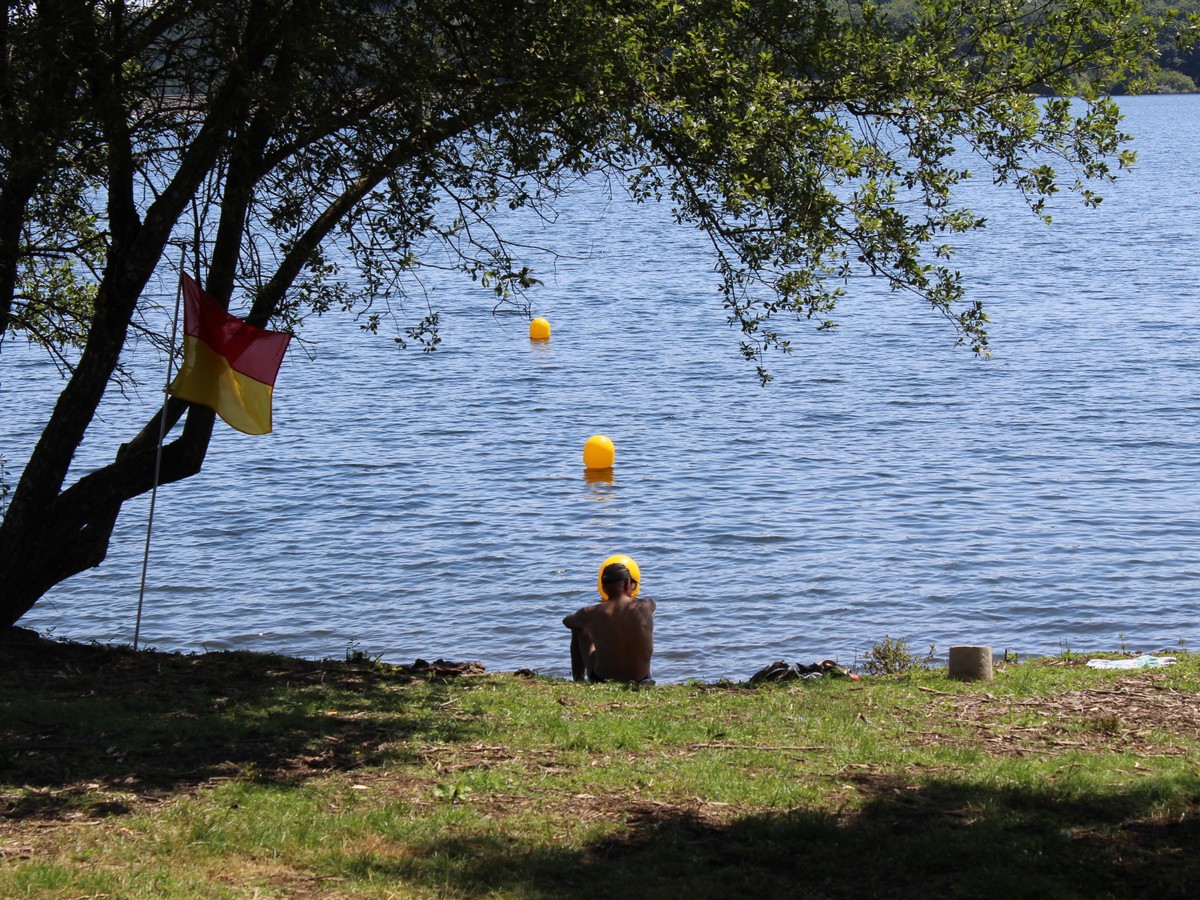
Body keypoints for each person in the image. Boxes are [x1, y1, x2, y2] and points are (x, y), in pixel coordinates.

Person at [562, 562, 656, 684]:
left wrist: (583, 619)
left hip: (603, 679)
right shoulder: (647, 605)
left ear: (603, 588)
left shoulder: (590, 613)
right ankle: (641, 681)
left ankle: (578, 680)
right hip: (641, 678)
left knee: (578, 628)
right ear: (628, 584)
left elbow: (567, 621)